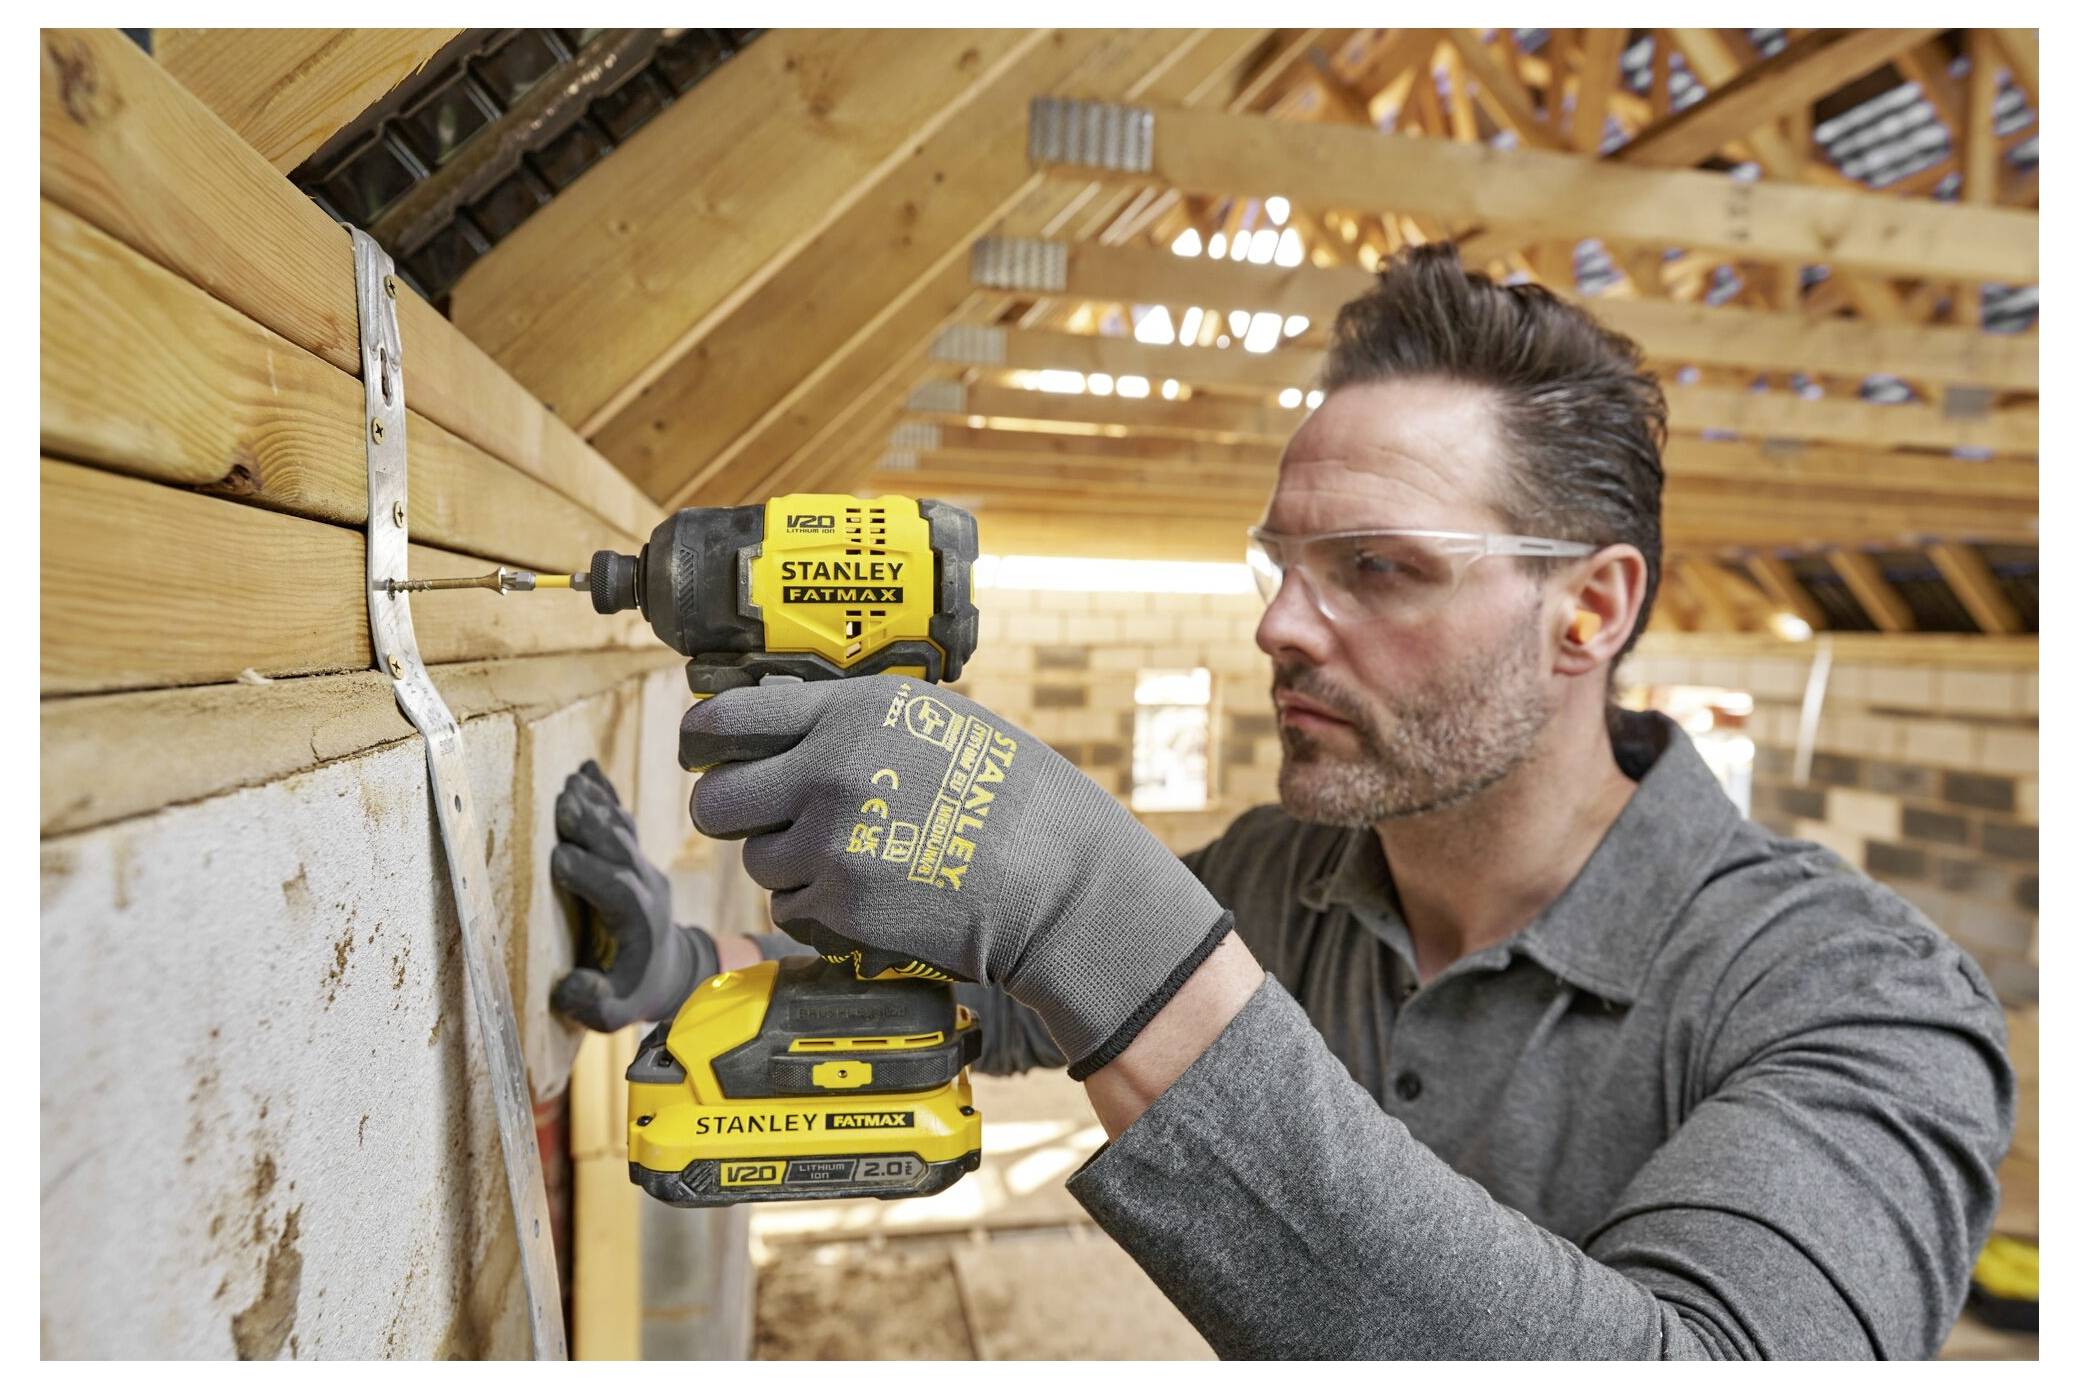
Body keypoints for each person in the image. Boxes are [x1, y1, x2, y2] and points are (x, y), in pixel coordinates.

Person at [548, 245, 2013, 1360]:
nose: (1281, 629)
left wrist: (1096, 909)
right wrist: (696, 972)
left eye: (1378, 567)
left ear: (1591, 611)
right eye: (1283, 565)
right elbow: (997, 1000)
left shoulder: (1860, 1003)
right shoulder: (1297, 876)